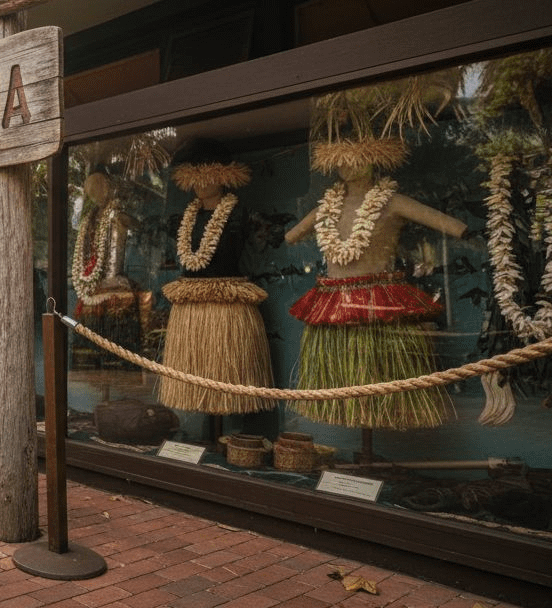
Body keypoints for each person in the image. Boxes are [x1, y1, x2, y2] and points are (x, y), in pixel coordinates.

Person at [284, 138, 465, 429]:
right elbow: (292, 236)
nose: (348, 166)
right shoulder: (326, 208)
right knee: (342, 377)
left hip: (380, 305)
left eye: (356, 158)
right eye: (341, 160)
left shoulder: (394, 202)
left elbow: (453, 226)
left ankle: (381, 418)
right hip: (334, 308)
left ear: (374, 159)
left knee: (383, 377)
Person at [158, 139, 274, 418]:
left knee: (227, 377)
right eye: (195, 177)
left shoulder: (241, 216)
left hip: (228, 310)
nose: (201, 184)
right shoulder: (181, 220)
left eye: (207, 176)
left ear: (223, 177)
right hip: (190, 311)